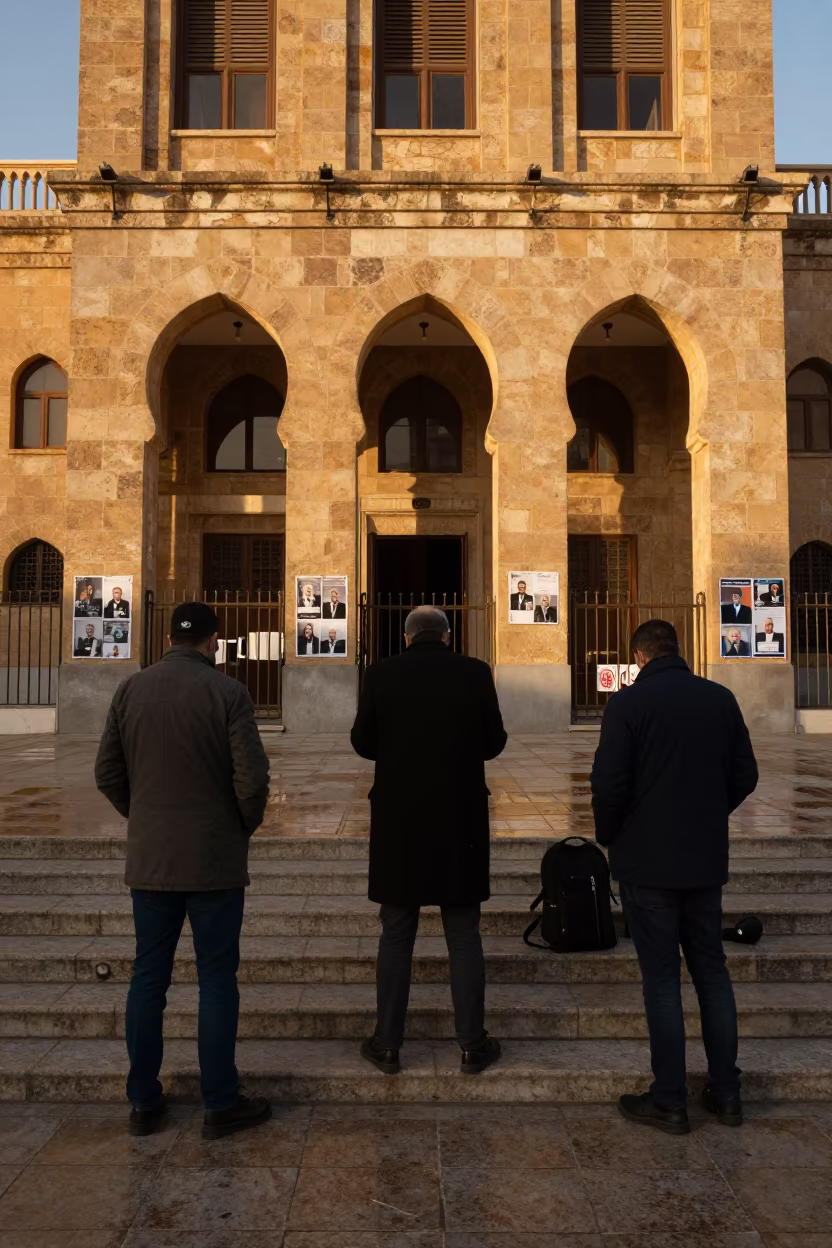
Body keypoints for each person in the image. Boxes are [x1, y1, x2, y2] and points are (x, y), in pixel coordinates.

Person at [94, 601, 271, 1141]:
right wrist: (237, 826)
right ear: (213, 640)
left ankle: (144, 1103)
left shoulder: (130, 689)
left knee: (148, 979)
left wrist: (144, 817)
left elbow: (107, 772)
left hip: (152, 861)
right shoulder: (228, 693)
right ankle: (220, 1102)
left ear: (168, 635)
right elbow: (252, 778)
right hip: (213, 861)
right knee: (216, 980)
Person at [590, 618, 758, 1134]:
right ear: (676, 651)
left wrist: (613, 835)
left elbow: (609, 784)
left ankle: (669, 1099)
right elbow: (745, 774)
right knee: (712, 972)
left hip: (648, 864)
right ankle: (726, 1093)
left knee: (662, 980)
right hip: (704, 862)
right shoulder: (719, 698)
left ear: (639, 657)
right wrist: (708, 815)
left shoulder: (627, 704)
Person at [350, 605, 507, 1077]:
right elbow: (494, 741)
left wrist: (399, 749)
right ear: (447, 635)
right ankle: (472, 1044)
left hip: (400, 821)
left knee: (396, 934)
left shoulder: (380, 674)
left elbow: (362, 741)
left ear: (406, 636)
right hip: (459, 818)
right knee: (463, 934)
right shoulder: (475, 673)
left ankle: (388, 1044)